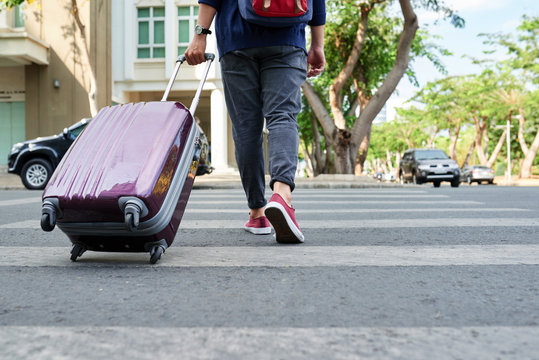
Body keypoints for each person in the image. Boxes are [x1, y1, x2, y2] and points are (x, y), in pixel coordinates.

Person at [185, 0, 326, 243]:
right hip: (288, 36)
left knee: (246, 128)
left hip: (237, 38)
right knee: (282, 115)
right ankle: (282, 195)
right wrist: (317, 44)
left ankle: (258, 212)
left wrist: (201, 34)